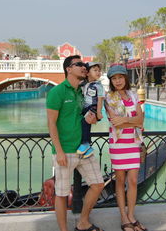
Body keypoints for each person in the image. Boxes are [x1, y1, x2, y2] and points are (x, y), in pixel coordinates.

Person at [46, 55, 105, 231]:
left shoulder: (83, 91)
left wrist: (92, 118)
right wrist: (59, 151)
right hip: (64, 150)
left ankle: (83, 222)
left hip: (84, 149)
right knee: (62, 194)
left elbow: (86, 116)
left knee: (98, 184)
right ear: (68, 69)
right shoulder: (57, 92)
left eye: (84, 65)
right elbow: (51, 123)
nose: (84, 67)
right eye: (79, 64)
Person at [105, 65, 147, 231]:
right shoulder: (109, 97)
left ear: (125, 78)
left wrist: (126, 120)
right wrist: (132, 120)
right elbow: (115, 121)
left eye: (120, 77)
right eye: (114, 79)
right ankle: (124, 217)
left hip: (133, 142)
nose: (118, 81)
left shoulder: (133, 95)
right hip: (118, 144)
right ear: (111, 81)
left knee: (133, 181)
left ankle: (131, 215)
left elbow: (140, 121)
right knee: (120, 181)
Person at [77, 62, 105, 158]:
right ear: (88, 73)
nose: (98, 72)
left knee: (85, 123)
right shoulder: (84, 84)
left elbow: (100, 99)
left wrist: (99, 112)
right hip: (85, 108)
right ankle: (88, 148)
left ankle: (86, 143)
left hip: (93, 107)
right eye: (95, 70)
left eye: (99, 70)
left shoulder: (98, 85)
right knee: (83, 124)